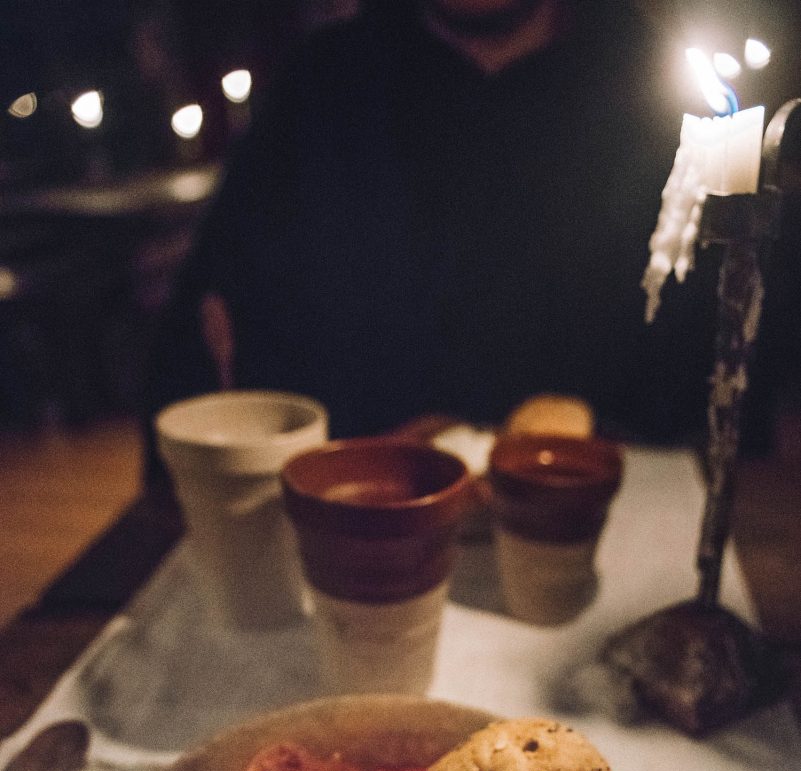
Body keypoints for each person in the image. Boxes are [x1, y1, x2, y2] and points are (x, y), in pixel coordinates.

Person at [145, 0, 786, 469]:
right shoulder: (323, 81)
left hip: (625, 502)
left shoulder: (664, 83)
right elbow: (223, 314)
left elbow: (732, 332)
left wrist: (596, 432)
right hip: (366, 508)